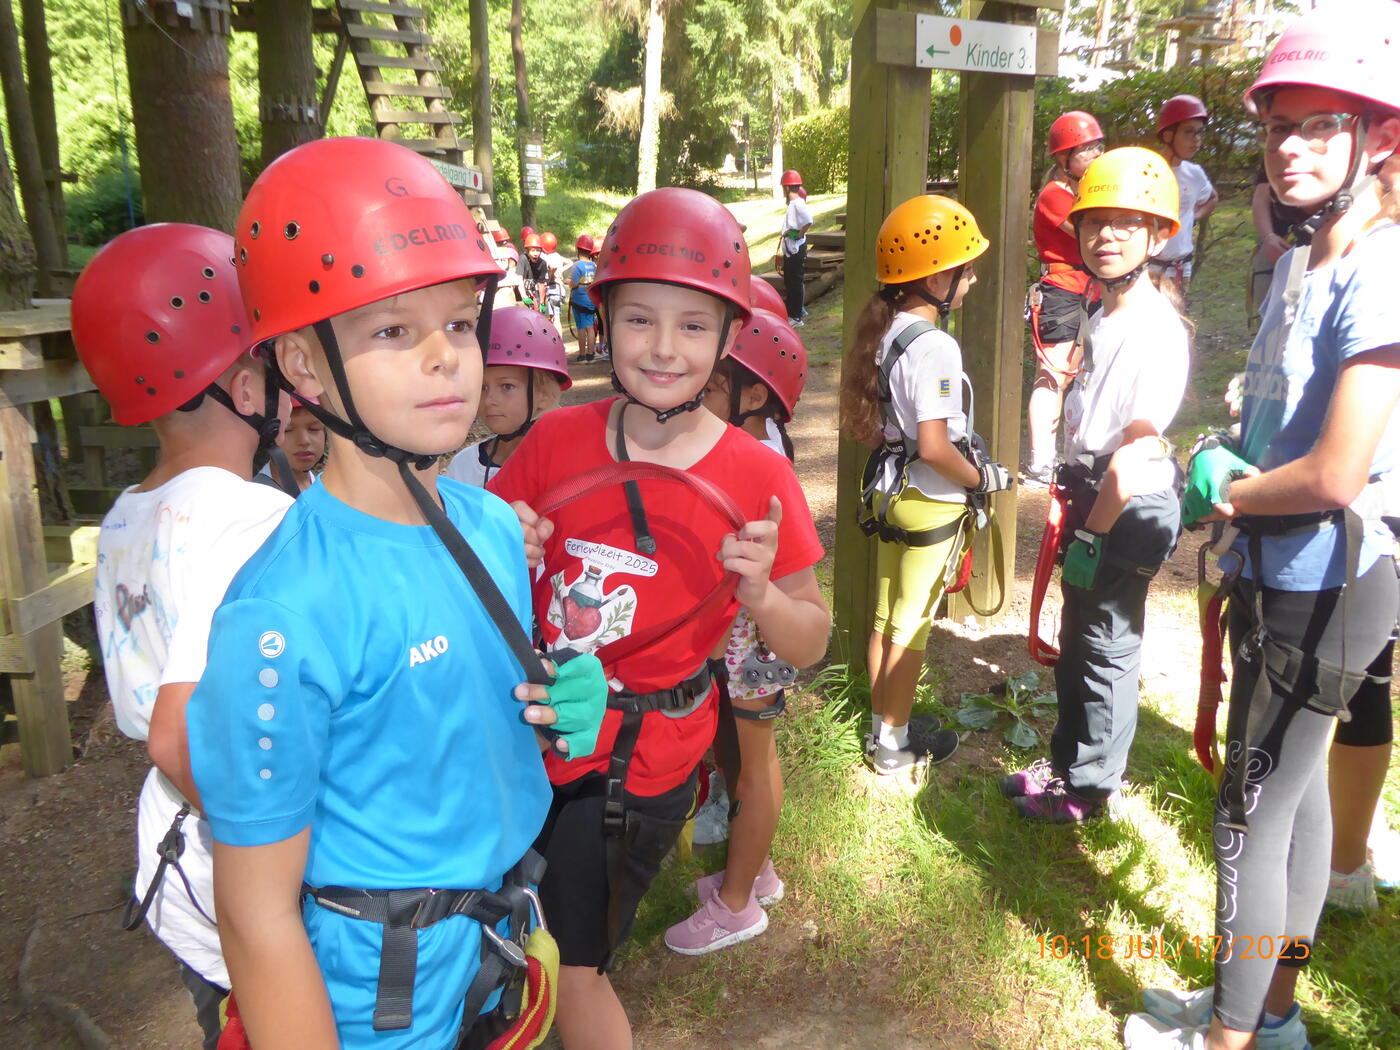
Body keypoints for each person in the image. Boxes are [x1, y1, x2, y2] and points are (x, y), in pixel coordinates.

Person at [184, 137, 607, 1050]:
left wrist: (550, 703)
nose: (445, 358)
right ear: (303, 369)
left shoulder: (489, 526)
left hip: (497, 943)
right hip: (379, 1000)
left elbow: (450, 717)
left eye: (458, 323)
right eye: (391, 331)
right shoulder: (283, 615)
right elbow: (256, 915)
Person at [488, 186, 829, 1050]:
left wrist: (763, 596)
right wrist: (506, 546)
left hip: (636, 766)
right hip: (529, 736)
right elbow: (479, 583)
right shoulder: (554, 442)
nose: (664, 347)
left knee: (574, 967)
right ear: (605, 318)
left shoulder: (756, 475)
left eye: (692, 324)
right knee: (516, 933)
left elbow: (811, 638)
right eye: (640, 319)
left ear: (727, 336)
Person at [1128, 6, 1400, 1048]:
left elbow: (1335, 473)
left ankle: (1228, 1037)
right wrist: (1229, 443)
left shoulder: (1379, 271)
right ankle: (1270, 1014)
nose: (1291, 148)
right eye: (1279, 126)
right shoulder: (1299, 258)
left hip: (1331, 577)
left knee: (1246, 812)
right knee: (1292, 803)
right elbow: (1283, 420)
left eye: (1321, 126)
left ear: (1377, 138)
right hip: (1283, 564)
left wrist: (1227, 492)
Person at [73, 223, 294, 1050]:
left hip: (173, 854)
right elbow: (181, 736)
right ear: (246, 384)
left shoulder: (125, 515)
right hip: (242, 844)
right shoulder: (252, 517)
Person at [1004, 147, 1188, 823]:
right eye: (1092, 222)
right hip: (1096, 493)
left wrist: (1093, 533)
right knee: (1079, 636)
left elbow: (1135, 452)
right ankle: (1067, 766)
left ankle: (1088, 789)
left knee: (1105, 646)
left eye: (1125, 223)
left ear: (1157, 235)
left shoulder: (1153, 330)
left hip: (1123, 501)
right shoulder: (1104, 313)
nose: (1105, 235)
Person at [840, 194, 1011, 775]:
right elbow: (936, 446)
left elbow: (891, 430)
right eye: (967, 269)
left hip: (893, 492)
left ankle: (883, 727)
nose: (973, 279)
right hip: (931, 498)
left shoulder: (887, 331)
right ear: (937, 278)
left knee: (886, 618)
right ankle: (892, 746)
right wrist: (984, 477)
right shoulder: (936, 344)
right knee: (910, 628)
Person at [664, 307, 809, 954]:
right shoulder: (740, 442)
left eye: (716, 385)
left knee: (754, 766)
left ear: (753, 397)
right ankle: (756, 871)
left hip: (755, 634)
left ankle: (736, 905)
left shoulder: (757, 461)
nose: (699, 391)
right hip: (736, 634)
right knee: (735, 755)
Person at [1026, 110, 1106, 485]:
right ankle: (1041, 460)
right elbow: (1086, 231)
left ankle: (1073, 453)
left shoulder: (1083, 192)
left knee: (1081, 374)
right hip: (1062, 292)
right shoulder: (1054, 195)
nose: (1096, 154)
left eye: (1098, 147)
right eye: (1086, 149)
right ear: (1064, 159)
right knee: (1053, 374)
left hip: (1089, 289)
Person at [446, 305, 571, 487]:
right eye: (482, 387)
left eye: (507, 386)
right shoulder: (463, 466)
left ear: (543, 394)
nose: (489, 400)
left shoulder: (565, 462)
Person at [1154, 94, 1219, 293]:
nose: (1196, 140)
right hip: (1148, 266)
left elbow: (1212, 198)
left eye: (1199, 133)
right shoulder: (1148, 169)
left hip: (1181, 266)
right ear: (1168, 135)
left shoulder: (1194, 173)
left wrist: (1194, 216)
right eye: (1188, 132)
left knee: (1178, 312)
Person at [1248, 164, 1314, 321]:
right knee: (1270, 316)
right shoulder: (1279, 154)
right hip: (1279, 245)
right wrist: (1268, 237)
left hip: (1321, 245)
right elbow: (1261, 196)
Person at [253, 399, 325, 492]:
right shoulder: (256, 495)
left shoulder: (330, 489)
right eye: (287, 430)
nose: (304, 441)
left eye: (314, 429)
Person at [778, 169, 813, 327]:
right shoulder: (794, 204)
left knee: (795, 282)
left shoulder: (798, 204)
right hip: (791, 247)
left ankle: (796, 317)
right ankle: (795, 311)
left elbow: (808, 221)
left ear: (786, 188)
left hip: (796, 248)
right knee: (790, 281)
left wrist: (799, 234)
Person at [565, 234, 601, 363]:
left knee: (582, 327)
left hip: (579, 300)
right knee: (588, 326)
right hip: (590, 299)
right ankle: (588, 354)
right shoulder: (594, 266)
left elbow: (574, 283)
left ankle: (584, 354)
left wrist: (567, 282)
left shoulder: (577, 266)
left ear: (578, 249)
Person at [519, 232, 551, 314]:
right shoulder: (523, 259)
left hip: (534, 292)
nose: (536, 254)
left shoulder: (542, 263)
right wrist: (523, 296)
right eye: (533, 251)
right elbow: (519, 278)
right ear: (527, 251)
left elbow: (542, 284)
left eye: (538, 251)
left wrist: (542, 303)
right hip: (522, 291)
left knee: (539, 314)